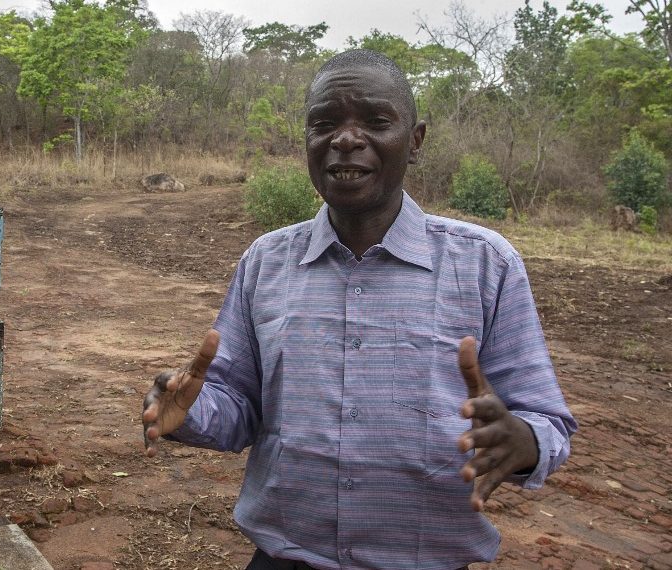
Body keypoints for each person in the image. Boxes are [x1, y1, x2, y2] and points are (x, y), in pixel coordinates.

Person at [141, 49, 577, 570]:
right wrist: (193, 411)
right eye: (324, 123)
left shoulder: (486, 264)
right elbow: (242, 409)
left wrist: (521, 441)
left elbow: (544, 420)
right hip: (283, 558)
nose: (345, 139)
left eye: (375, 121)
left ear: (415, 142)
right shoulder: (266, 262)